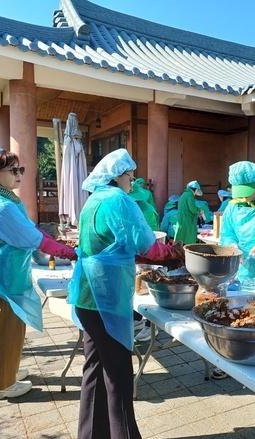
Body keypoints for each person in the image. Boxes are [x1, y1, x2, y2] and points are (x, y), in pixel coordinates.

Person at [67, 148, 181, 439]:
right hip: (106, 298)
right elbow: (145, 245)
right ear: (118, 176)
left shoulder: (93, 200)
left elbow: (116, 247)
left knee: (94, 369)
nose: (133, 180)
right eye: (130, 175)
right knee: (118, 376)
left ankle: (91, 434)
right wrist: (173, 254)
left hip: (86, 296)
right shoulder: (119, 200)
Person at [0, 147, 76, 401]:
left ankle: (7, 372)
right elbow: (32, 237)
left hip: (5, 274)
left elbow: (28, 232)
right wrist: (68, 252)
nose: (19, 175)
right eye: (13, 170)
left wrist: (56, 244)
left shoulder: (2, 199)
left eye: (21, 170)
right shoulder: (0, 207)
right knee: (3, 332)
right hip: (2, 278)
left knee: (12, 329)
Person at [173, 180, 203, 244]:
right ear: (195, 189)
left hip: (181, 219)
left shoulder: (184, 194)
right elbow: (192, 209)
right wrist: (199, 210)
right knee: (188, 241)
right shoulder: (190, 195)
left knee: (180, 238)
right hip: (187, 220)